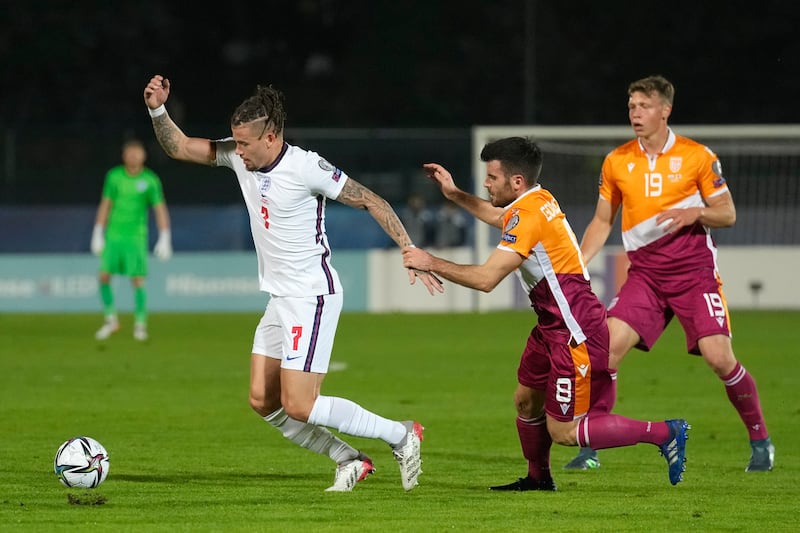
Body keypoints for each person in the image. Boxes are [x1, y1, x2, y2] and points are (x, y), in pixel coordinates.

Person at [142, 74, 443, 492]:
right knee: (262, 401)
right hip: (280, 298)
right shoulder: (237, 155)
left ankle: (401, 434)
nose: (237, 150)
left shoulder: (307, 167)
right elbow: (178, 146)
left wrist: (409, 248)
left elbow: (372, 199)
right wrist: (158, 108)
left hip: (311, 296)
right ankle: (349, 458)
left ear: (271, 137)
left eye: (244, 143)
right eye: (235, 142)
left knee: (299, 404)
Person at [403, 136, 690, 490]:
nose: (486, 183)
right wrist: (455, 194)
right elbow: (498, 215)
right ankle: (538, 479)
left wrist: (429, 261)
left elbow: (487, 279)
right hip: (552, 323)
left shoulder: (528, 214)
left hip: (574, 330)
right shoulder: (538, 198)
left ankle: (665, 432)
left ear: (516, 182)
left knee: (565, 431)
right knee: (526, 400)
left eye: (492, 177)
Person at [562, 75, 774, 473]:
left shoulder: (697, 156)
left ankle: (760, 441)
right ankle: (590, 444)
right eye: (631, 106)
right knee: (605, 351)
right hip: (645, 276)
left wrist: (697, 212)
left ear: (665, 110)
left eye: (643, 106)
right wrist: (577, 264)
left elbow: (727, 213)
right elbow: (602, 220)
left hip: (694, 274)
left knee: (719, 357)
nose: (635, 113)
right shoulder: (617, 160)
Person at [91, 138, 173, 342]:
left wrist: (165, 237)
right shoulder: (114, 177)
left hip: (136, 237)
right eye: (130, 153)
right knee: (103, 276)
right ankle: (111, 320)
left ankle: (140, 324)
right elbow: (105, 204)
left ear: (143, 156)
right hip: (113, 235)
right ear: (124, 156)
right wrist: (98, 232)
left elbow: (159, 209)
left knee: (137, 280)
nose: (134, 156)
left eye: (137, 152)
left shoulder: (150, 180)